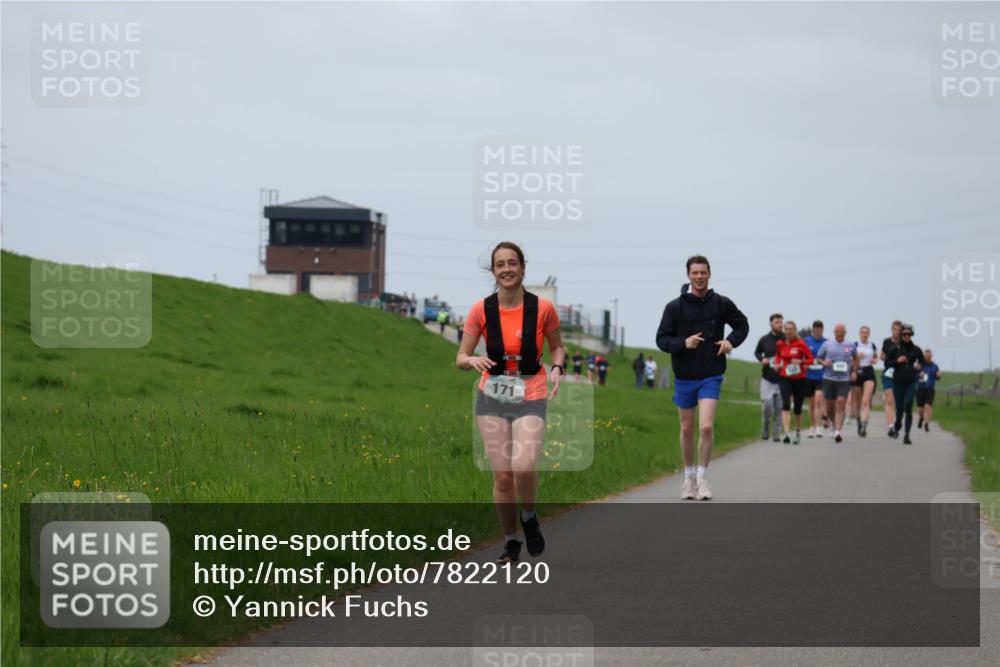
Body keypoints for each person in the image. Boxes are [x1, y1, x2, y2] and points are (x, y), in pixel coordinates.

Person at [456, 242, 565, 563]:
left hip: (531, 389)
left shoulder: (542, 308)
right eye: (500, 264)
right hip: (493, 392)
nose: (507, 269)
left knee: (524, 465)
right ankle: (510, 540)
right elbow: (460, 356)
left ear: (522, 267)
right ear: (493, 271)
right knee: (502, 475)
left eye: (512, 263)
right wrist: (472, 361)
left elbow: (557, 347)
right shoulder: (481, 310)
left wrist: (557, 367)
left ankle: (529, 517)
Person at [655, 254, 749, 500]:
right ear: (688, 275)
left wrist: (730, 342)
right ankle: (688, 478)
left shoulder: (721, 303)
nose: (699, 277)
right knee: (687, 430)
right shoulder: (674, 307)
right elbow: (662, 340)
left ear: (709, 274)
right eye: (694, 273)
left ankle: (702, 478)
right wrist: (682, 343)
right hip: (685, 376)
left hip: (712, 374)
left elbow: (742, 325)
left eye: (703, 272)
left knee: (705, 426)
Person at [774, 320, 813, 445]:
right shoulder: (780, 343)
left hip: (799, 378)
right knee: (785, 404)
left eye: (790, 329)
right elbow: (778, 355)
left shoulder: (801, 344)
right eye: (786, 329)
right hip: (784, 377)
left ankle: (797, 431)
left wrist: (801, 362)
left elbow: (810, 359)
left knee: (797, 408)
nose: (788, 331)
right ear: (784, 331)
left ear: (794, 330)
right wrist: (777, 363)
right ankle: (786, 433)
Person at [816, 323, 856, 443]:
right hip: (829, 379)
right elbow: (818, 357)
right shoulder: (827, 344)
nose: (839, 333)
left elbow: (856, 358)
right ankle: (833, 424)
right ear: (834, 332)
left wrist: (854, 371)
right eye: (837, 331)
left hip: (843, 380)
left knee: (841, 402)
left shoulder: (850, 345)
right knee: (829, 408)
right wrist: (823, 363)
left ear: (845, 332)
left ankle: (838, 431)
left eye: (842, 331)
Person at [884, 323, 923, 444]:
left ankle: (907, 435)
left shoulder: (916, 349)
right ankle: (898, 421)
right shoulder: (895, 348)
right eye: (904, 334)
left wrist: (919, 366)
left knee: (908, 405)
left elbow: (922, 362)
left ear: (911, 334)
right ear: (901, 335)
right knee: (900, 409)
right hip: (897, 382)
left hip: (911, 382)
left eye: (908, 334)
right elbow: (887, 363)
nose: (906, 336)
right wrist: (897, 360)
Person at [753, 313, 784, 442]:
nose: (780, 324)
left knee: (779, 408)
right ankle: (765, 430)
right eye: (777, 322)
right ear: (771, 323)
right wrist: (762, 359)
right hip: (767, 378)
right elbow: (757, 352)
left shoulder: (786, 339)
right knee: (767, 406)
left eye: (781, 322)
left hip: (782, 379)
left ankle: (776, 433)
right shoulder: (765, 339)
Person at [850, 325, 878, 437]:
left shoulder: (872, 345)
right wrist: (857, 358)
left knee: (866, 401)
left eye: (866, 332)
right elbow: (851, 361)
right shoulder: (855, 345)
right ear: (860, 334)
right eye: (863, 332)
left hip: (869, 372)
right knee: (857, 402)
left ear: (869, 334)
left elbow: (876, 357)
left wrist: (874, 360)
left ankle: (864, 426)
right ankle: (858, 423)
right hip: (857, 371)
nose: (865, 334)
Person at [803, 320, 828, 438]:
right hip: (809, 376)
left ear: (822, 330)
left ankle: (818, 427)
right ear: (813, 330)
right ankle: (811, 427)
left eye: (820, 330)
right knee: (812, 404)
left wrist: (824, 362)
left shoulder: (826, 342)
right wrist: (805, 363)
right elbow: (802, 355)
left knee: (819, 400)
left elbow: (829, 357)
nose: (818, 332)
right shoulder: (807, 341)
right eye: (816, 330)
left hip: (821, 375)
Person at [880, 320, 903, 432]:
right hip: (888, 373)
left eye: (898, 330)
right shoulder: (886, 342)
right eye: (894, 329)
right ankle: (891, 426)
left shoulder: (904, 343)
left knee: (897, 401)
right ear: (891, 330)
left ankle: (897, 421)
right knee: (889, 400)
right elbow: (882, 354)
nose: (896, 332)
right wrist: (883, 357)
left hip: (900, 375)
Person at [917, 348, 941, 433]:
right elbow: (915, 374)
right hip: (921, 388)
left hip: (930, 389)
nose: (928, 358)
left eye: (929, 356)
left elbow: (938, 377)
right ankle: (921, 418)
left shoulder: (935, 366)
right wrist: (919, 374)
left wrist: (938, 375)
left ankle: (927, 424)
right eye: (926, 356)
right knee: (921, 408)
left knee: (928, 406)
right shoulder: (920, 365)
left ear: (931, 357)